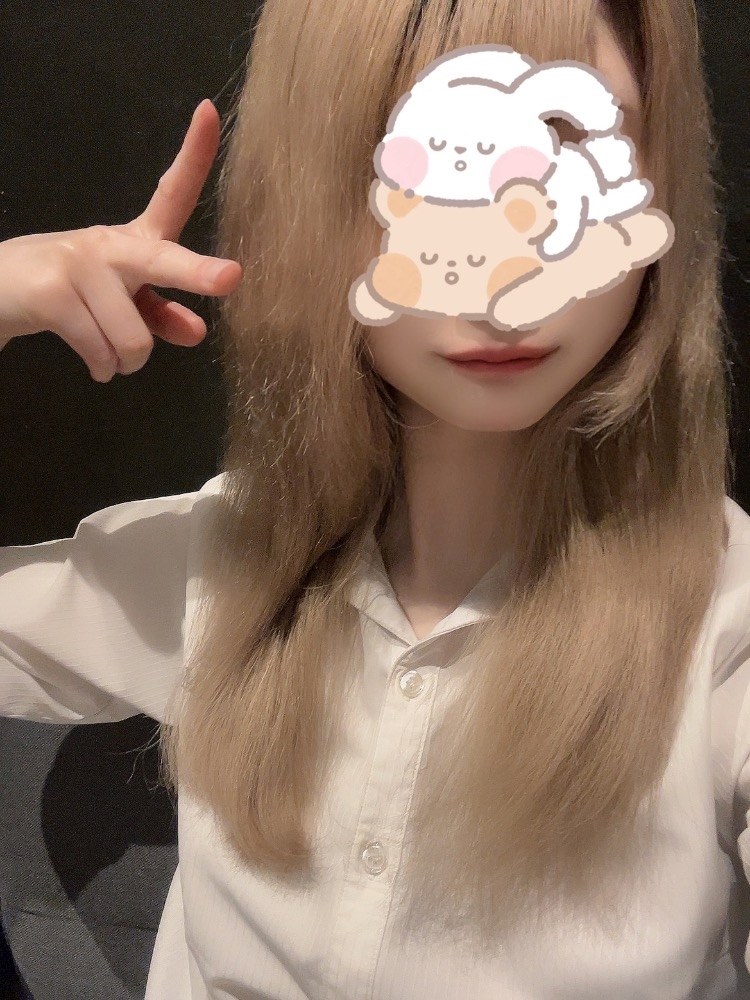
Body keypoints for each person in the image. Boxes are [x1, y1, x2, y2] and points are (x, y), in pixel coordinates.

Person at [1, 0, 749, 997]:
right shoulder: (219, 560)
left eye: (564, 158)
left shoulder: (724, 627)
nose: (498, 286)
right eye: (428, 182)